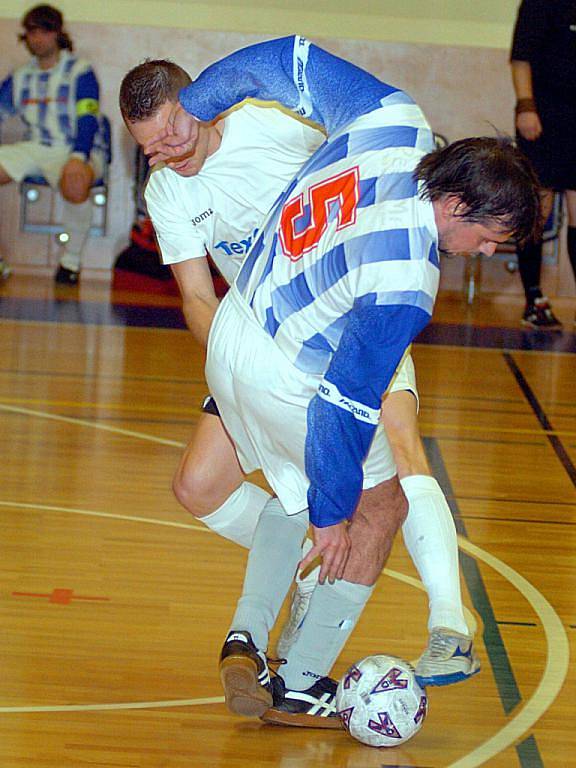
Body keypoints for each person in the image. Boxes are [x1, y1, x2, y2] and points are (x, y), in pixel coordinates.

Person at [145, 36, 540, 728]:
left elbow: (285, 59)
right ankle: (299, 679)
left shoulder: (393, 119)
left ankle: (248, 633)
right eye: (488, 240)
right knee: (378, 506)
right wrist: (337, 510)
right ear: (455, 204)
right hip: (289, 372)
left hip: (235, 326)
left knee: (297, 493)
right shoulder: (405, 284)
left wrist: (196, 104)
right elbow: (342, 404)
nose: (481, 255)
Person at [0, 4, 105, 285]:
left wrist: (78, 155)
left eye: (44, 32)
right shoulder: (20, 77)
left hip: (78, 147)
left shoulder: (80, 72)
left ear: (58, 34)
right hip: (34, 146)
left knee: (74, 179)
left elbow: (88, 118)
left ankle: (70, 262)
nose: (38, 39)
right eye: (32, 32)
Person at [510, 0, 576, 329]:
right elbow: (520, 58)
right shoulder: (541, 3)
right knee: (540, 208)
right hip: (543, 116)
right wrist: (526, 105)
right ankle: (533, 298)